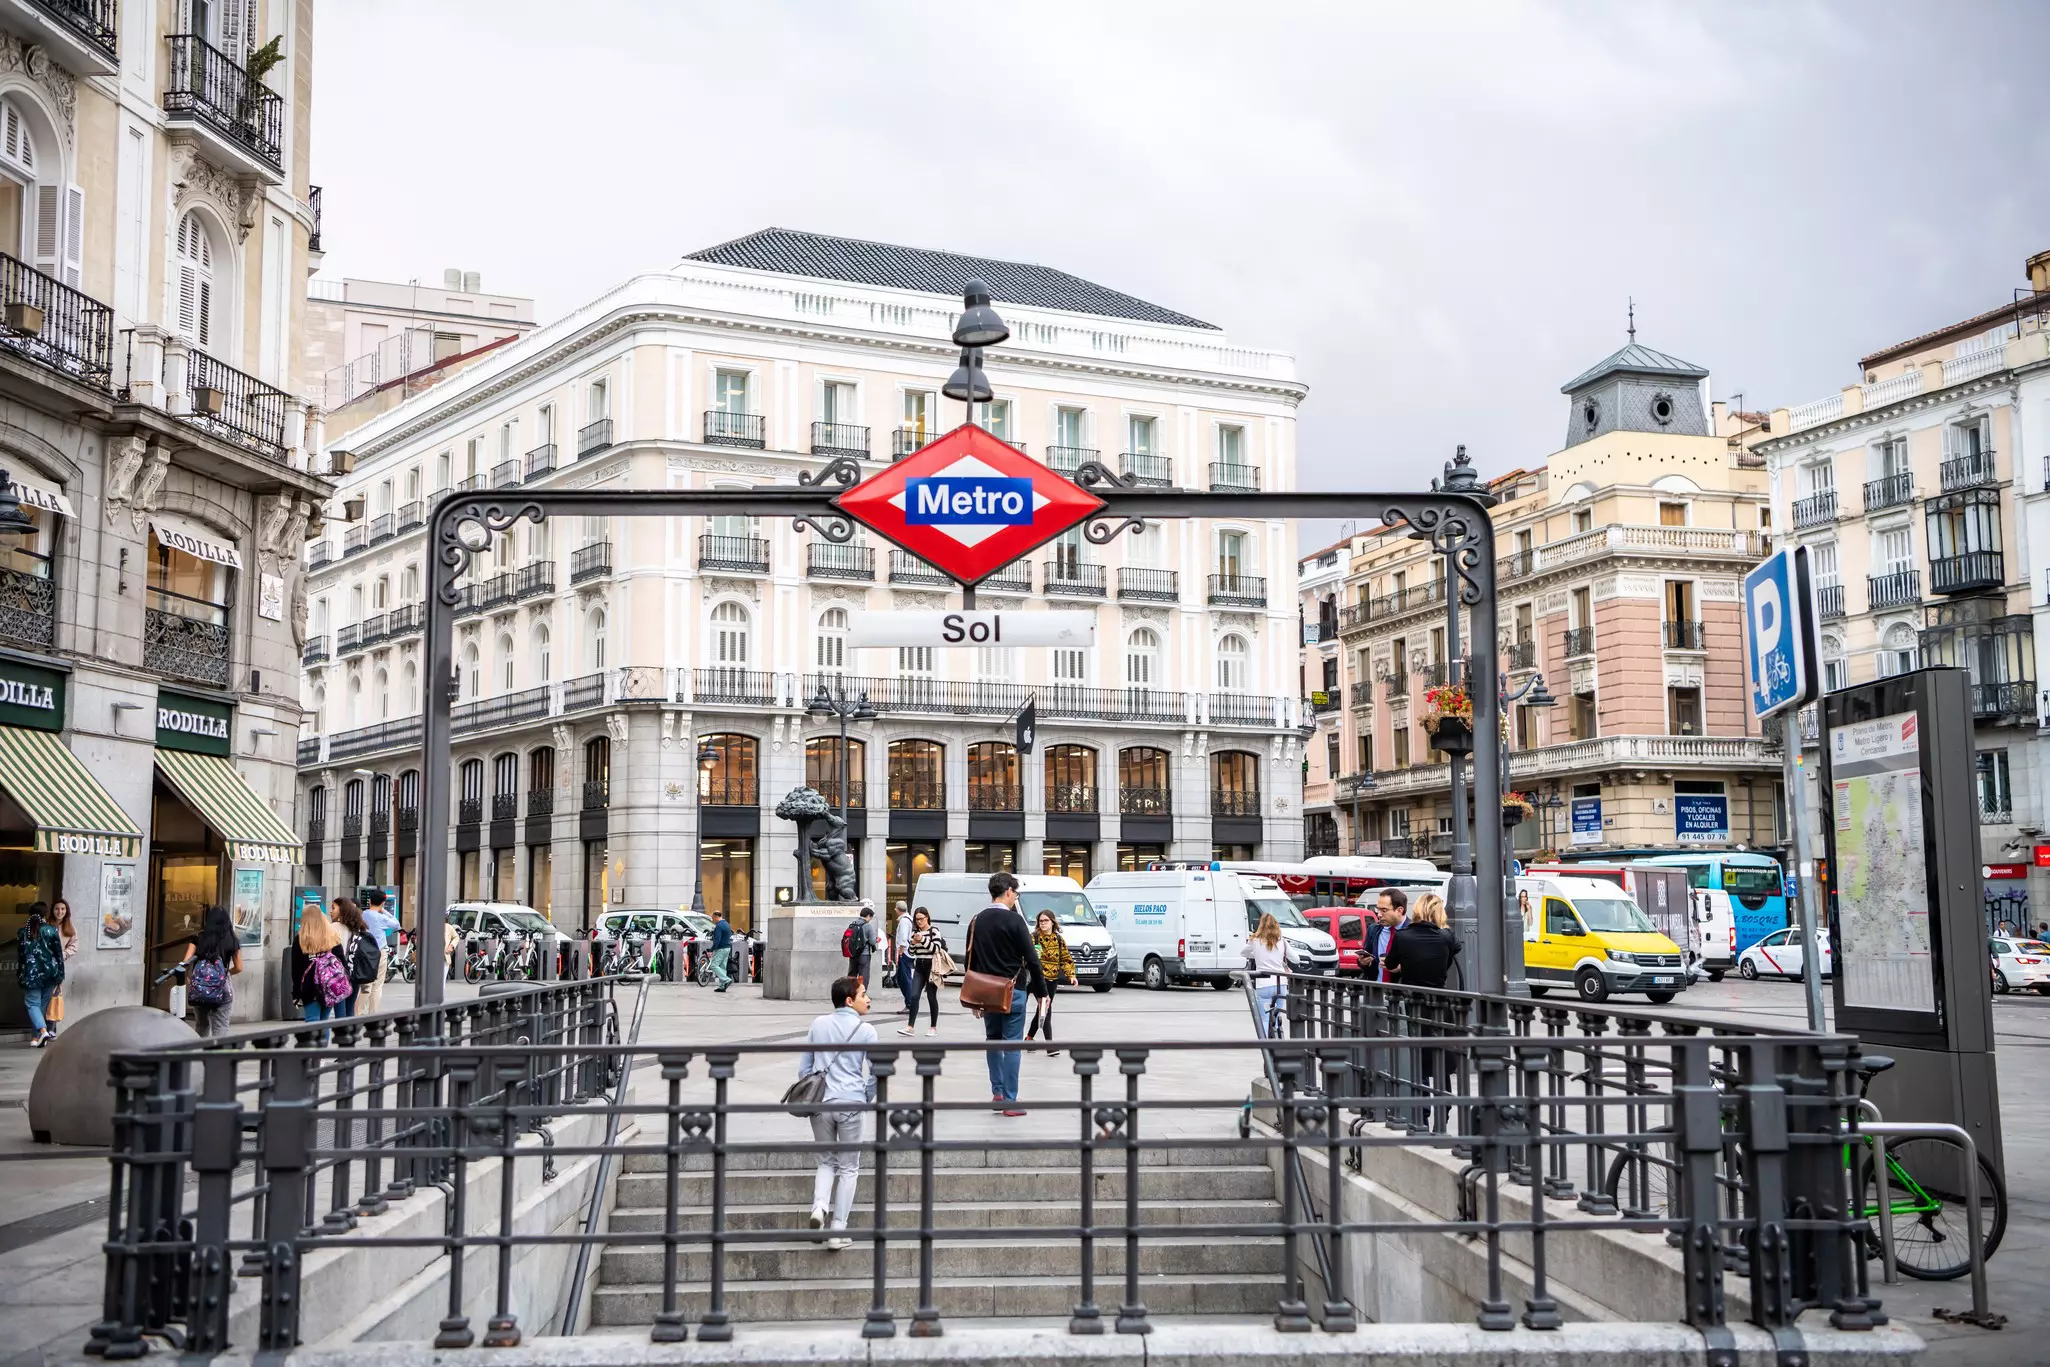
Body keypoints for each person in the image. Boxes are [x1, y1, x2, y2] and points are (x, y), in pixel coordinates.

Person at [797, 975, 876, 1251]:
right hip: (851, 1102)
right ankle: (837, 1229)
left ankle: (819, 1207)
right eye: (863, 994)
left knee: (825, 1162)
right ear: (849, 1000)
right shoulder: (866, 1031)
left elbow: (804, 1067)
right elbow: (877, 1070)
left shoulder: (818, 1024)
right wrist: (866, 1094)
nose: (868, 999)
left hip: (821, 1103)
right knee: (849, 1167)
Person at [964, 872, 1045, 1116]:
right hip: (1013, 991)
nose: (1015, 898)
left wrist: (974, 999)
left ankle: (997, 1092)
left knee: (993, 1040)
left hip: (986, 992)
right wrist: (1041, 992)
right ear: (1008, 891)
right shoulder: (1015, 921)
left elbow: (971, 959)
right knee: (1012, 1045)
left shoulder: (976, 920)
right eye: (1015, 893)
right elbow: (1032, 959)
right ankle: (1010, 1100)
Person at [178, 904, 243, 1038]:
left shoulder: (198, 938)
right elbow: (239, 967)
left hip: (200, 987)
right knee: (220, 1026)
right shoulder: (231, 940)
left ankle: (199, 1054)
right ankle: (217, 1056)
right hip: (222, 988)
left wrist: (189, 978)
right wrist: (225, 974)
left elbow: (185, 963)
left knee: (201, 1025)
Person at [1026, 909, 1077, 1055]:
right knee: (1045, 1009)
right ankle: (1050, 1046)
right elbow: (1026, 956)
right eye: (1041, 921)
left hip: (1052, 980)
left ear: (1052, 922)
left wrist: (1071, 975)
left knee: (1041, 1010)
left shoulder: (1059, 939)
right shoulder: (1034, 938)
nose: (1043, 924)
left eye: (1046, 921)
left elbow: (1066, 959)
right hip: (1037, 979)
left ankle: (1029, 1038)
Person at [1386, 892, 1460, 989]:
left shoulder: (1402, 935)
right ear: (1440, 913)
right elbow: (1457, 948)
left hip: (1411, 995)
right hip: (1438, 996)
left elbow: (1390, 964)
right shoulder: (1446, 936)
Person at [290, 901, 349, 1023]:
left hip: (309, 987)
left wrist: (296, 993)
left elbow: (296, 970)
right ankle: (323, 1043)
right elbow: (342, 963)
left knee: (312, 1020)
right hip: (328, 985)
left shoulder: (300, 939)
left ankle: (311, 1042)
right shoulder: (332, 936)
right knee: (324, 1020)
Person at [16, 901, 64, 1047]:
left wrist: (19, 973)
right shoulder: (51, 930)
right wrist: (60, 975)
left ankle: (41, 1032)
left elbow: (21, 956)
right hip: (50, 973)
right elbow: (58, 954)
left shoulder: (23, 932)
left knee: (32, 1004)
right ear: (45, 914)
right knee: (41, 1005)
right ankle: (37, 1037)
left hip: (31, 974)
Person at [897, 908, 944, 1037]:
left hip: (931, 966)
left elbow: (936, 948)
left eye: (921, 919)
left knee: (931, 996)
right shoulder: (915, 932)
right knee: (914, 996)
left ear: (927, 917)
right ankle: (910, 1026)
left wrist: (922, 940)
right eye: (917, 919)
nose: (919, 922)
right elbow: (912, 952)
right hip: (919, 966)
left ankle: (933, 1026)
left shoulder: (934, 931)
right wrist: (912, 943)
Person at [1243, 911, 1289, 1037]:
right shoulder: (1282, 941)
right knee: (1277, 1015)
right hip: (1281, 984)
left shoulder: (1255, 941)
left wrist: (1257, 955)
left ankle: (1265, 1046)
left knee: (1264, 1018)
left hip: (1263, 985)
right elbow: (1296, 959)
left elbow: (1243, 953)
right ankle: (1278, 1037)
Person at [331, 898, 375, 1017]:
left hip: (338, 974)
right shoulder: (359, 927)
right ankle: (350, 1033)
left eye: (333, 908)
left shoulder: (334, 927)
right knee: (350, 1009)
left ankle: (342, 1033)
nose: (331, 911)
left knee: (340, 1012)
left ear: (342, 910)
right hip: (354, 973)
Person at [359, 891, 400, 1015]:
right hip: (379, 952)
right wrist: (384, 911)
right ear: (382, 903)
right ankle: (373, 1014)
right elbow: (396, 924)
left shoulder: (364, 915)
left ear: (370, 901)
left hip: (364, 952)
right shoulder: (381, 917)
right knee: (377, 986)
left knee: (366, 985)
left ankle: (359, 1013)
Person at [43, 898, 76, 1038]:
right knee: (42, 996)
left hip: (58, 967)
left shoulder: (70, 927)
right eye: (57, 909)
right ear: (52, 910)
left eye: (63, 909)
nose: (60, 912)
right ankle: (40, 1029)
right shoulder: (45, 924)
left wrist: (63, 954)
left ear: (66, 911)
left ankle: (51, 1029)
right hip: (43, 965)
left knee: (54, 997)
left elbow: (74, 946)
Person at [1367, 888, 1409, 982]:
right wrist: (1362, 962)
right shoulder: (1373, 930)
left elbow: (1422, 966)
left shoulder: (1413, 931)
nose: (1379, 914)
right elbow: (1367, 961)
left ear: (1399, 910)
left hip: (1400, 994)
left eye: (1384, 910)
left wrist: (1401, 968)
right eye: (1377, 909)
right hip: (1375, 991)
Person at [889, 899, 917, 1017]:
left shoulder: (904, 921)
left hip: (904, 953)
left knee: (904, 979)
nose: (895, 910)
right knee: (903, 978)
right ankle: (910, 1002)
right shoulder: (909, 919)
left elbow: (903, 938)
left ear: (898, 909)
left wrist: (900, 952)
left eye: (895, 908)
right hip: (908, 953)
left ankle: (910, 1004)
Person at [844, 903, 879, 984]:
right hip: (864, 954)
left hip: (853, 954)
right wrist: (876, 940)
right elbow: (872, 941)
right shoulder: (868, 926)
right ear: (868, 916)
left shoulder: (853, 924)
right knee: (863, 976)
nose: (870, 919)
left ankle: (850, 993)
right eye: (870, 917)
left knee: (852, 975)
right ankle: (861, 995)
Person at [709, 908, 735, 992]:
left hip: (721, 948)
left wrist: (711, 949)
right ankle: (722, 986)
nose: (713, 920)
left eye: (713, 918)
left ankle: (726, 980)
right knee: (722, 967)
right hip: (727, 948)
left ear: (716, 917)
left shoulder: (719, 926)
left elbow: (717, 940)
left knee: (714, 965)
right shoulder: (726, 924)